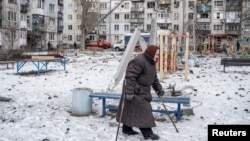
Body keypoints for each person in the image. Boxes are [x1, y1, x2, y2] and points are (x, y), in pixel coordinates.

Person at [116, 45, 165, 140]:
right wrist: (130, 92)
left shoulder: (151, 62)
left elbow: (153, 78)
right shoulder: (139, 61)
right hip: (135, 89)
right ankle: (148, 134)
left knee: (130, 109)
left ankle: (127, 129)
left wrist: (158, 88)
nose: (158, 56)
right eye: (157, 54)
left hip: (143, 90)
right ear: (151, 53)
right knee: (144, 110)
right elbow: (130, 76)